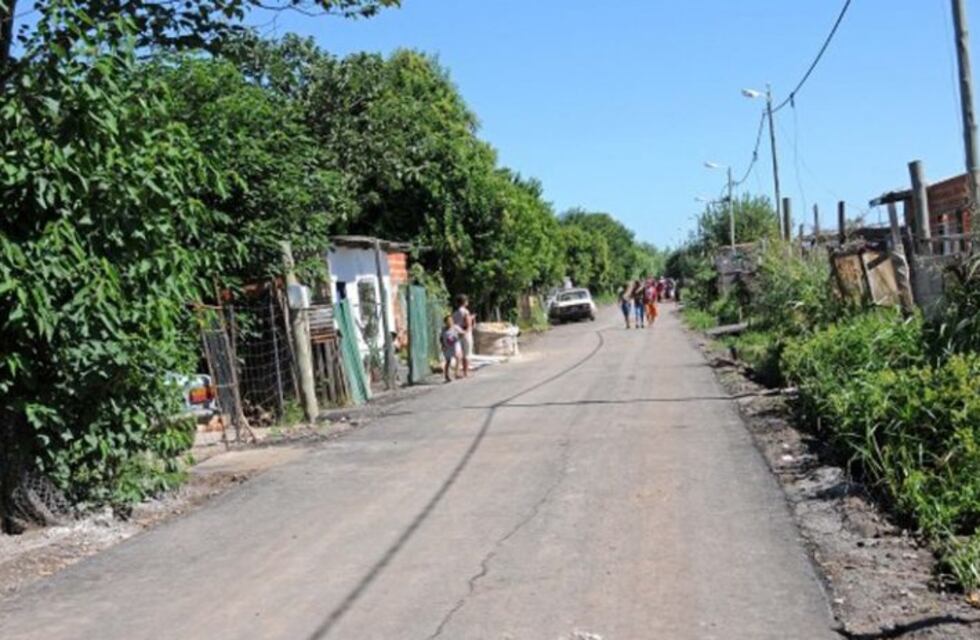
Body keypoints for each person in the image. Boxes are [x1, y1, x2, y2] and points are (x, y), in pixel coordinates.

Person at [452, 294, 475, 378]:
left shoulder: (454, 313)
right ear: (465, 302)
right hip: (465, 334)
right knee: (467, 354)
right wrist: (471, 321)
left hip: (457, 334)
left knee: (459, 354)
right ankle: (465, 372)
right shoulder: (465, 312)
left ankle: (457, 372)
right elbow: (467, 323)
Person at [439, 315, 462, 382]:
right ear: (445, 322)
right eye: (448, 321)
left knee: (458, 357)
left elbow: (462, 333)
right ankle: (446, 376)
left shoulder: (455, 327)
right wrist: (442, 345)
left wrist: (459, 336)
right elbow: (441, 338)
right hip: (447, 346)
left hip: (455, 345)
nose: (450, 322)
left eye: (451, 320)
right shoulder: (443, 329)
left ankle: (457, 373)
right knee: (448, 361)